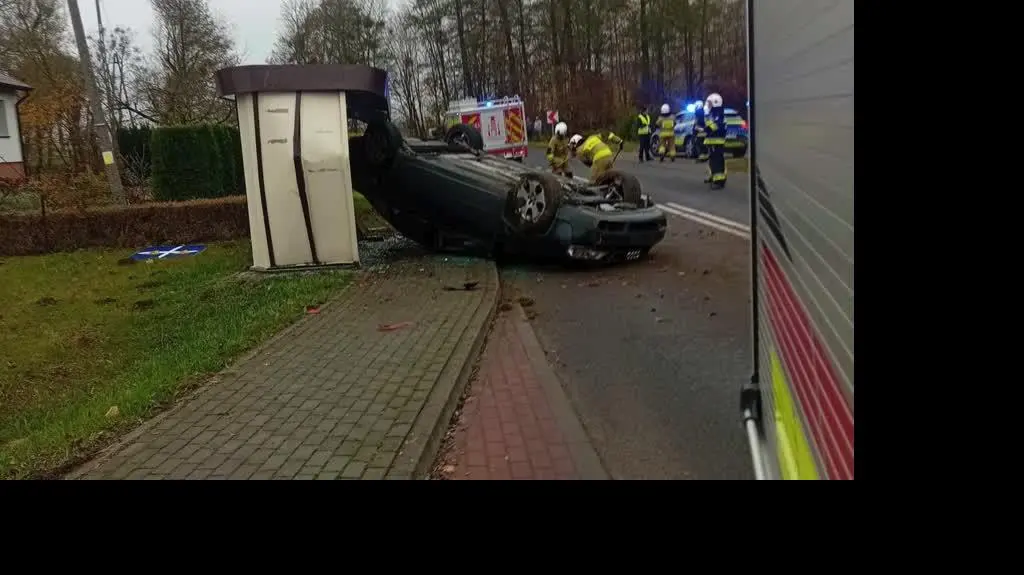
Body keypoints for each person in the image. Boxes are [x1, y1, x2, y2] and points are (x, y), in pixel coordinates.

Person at [703, 93, 727, 189]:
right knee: (714, 160)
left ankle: (718, 180)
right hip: (713, 141)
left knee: (716, 161)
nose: (708, 105)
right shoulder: (716, 112)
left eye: (709, 103)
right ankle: (714, 176)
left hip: (716, 141)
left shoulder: (717, 114)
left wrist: (707, 120)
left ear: (715, 103)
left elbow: (714, 127)